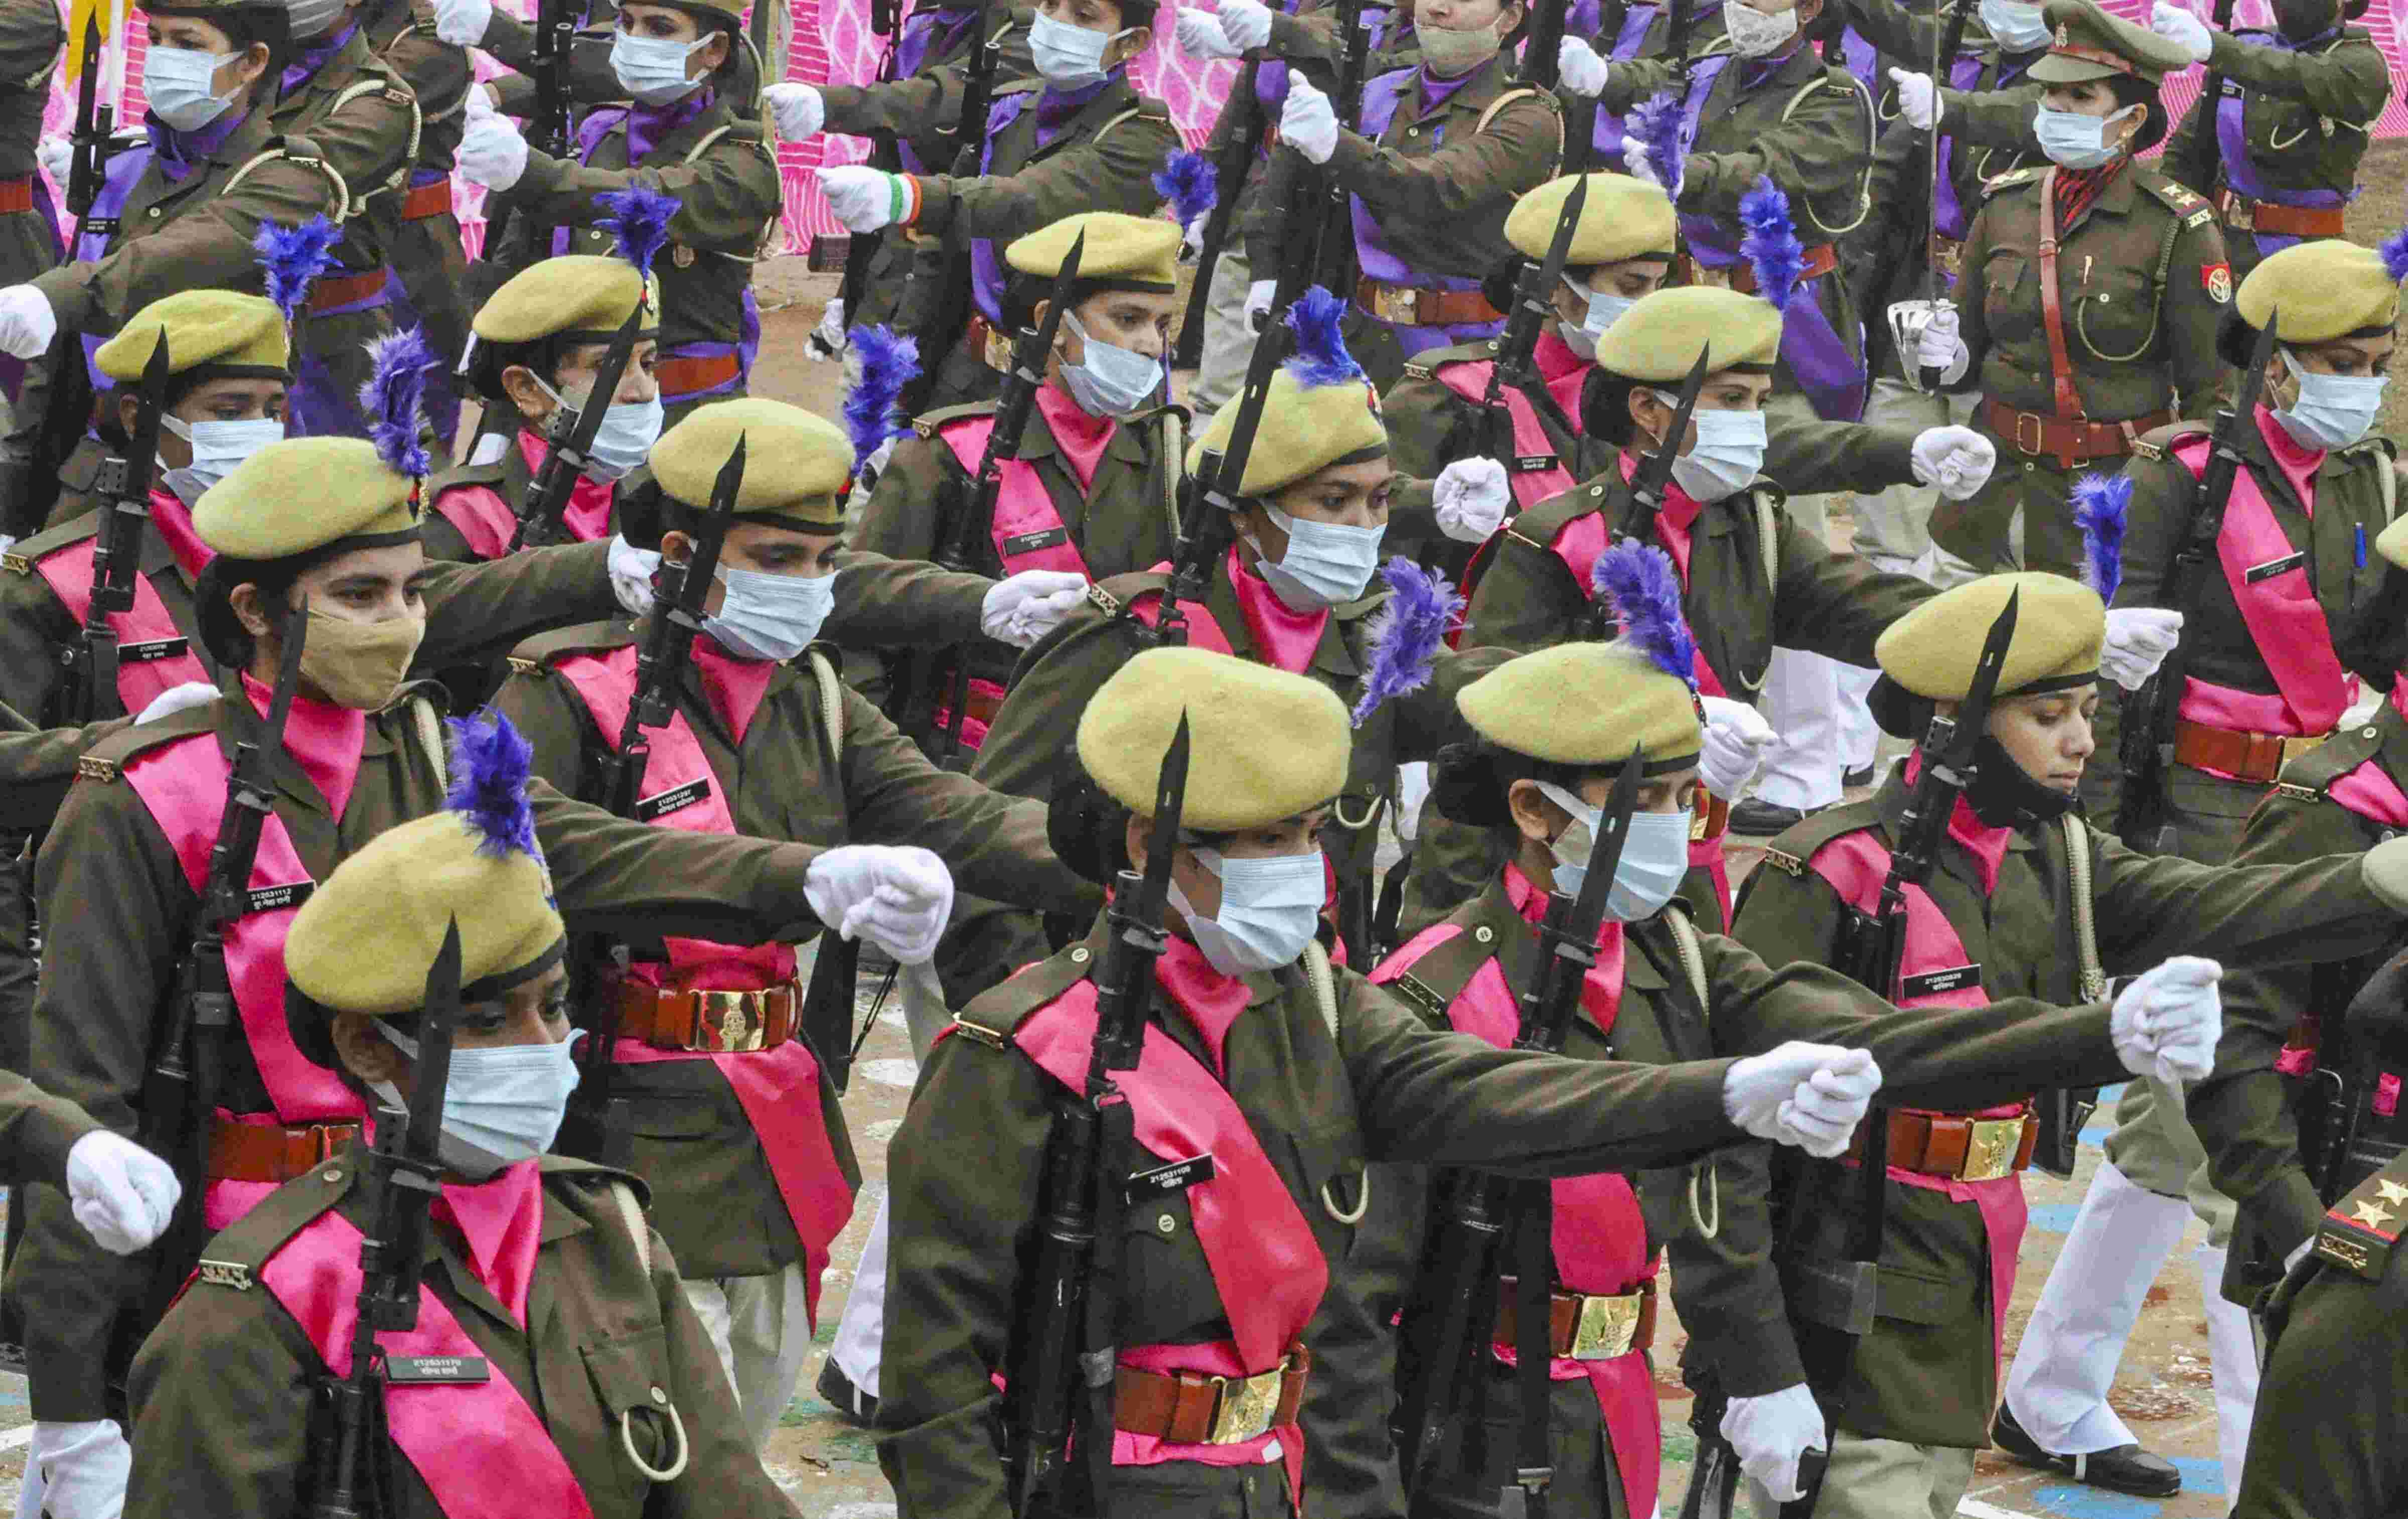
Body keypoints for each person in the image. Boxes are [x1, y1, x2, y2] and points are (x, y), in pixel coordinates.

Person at [3, 349, 950, 1516]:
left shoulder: (444, 752)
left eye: (410, 592)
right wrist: (70, 1398)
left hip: (438, 1232)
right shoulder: (149, 795)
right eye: (359, 596)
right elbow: (84, 1090)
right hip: (229, 1259)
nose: (401, 625)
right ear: (252, 610)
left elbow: (606, 854)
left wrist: (807, 872)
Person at [875, 642, 1889, 1519]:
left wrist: (1722, 1094)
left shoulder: (1319, 1008)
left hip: (1277, 1479)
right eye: (1268, 841)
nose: (1303, 871)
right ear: (1151, 844)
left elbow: (1501, 1097)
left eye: (1313, 835)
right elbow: (938, 1388)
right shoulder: (1013, 1055)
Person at [1372, 608, 2233, 1516]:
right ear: (1537, 811)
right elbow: (1362, 1305)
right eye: (1650, 800)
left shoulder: (1672, 954)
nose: (1679, 827)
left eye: (1687, 800)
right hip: (1466, 1425)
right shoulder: (1436, 997)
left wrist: (2102, 1037)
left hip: (1608, 1405)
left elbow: (1874, 1036)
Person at [1732, 568, 2408, 1519]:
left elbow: (2214, 901)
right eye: (2049, 715)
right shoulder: (1831, 870)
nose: (2083, 741)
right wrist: (1753, 1363)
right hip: (1844, 1273)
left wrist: (2378, 875)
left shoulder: (2052, 851)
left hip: (1965, 1274)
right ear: (1951, 721)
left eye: (2088, 710)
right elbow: (1732, 1140)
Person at [491, 395, 1098, 1447]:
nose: (807, 584)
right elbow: (551, 842)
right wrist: (799, 874)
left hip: (771, 1129)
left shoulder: (806, 690)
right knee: (662, 1452)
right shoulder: (566, 690)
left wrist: (1142, 864)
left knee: (757, 1403)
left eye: (824, 557)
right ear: (681, 552)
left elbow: (958, 813)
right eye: (776, 555)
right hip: (618, 1128)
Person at [120, 733, 806, 1516]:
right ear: (368, 1045)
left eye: (552, 1006)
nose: (545, 1049)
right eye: (484, 1019)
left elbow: (724, 1493)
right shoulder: (256, 1310)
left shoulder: (609, 1231)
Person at [1995, 240, 2405, 1499]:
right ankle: (2254, 1450)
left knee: (2164, 1142)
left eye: (2377, 366)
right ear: (2272, 368)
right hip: (2199, 829)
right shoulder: (2182, 478)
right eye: (2339, 366)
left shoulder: (2367, 476)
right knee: (2251, 1159)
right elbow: (2133, 689)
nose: (2363, 389)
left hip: (2322, 814)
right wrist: (2108, 860)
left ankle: (2048, 1387)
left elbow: (2359, 667)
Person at [940, 298, 1486, 995]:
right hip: (1124, 997)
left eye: (1379, 502)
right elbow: (995, 843)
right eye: (1333, 501)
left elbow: (1482, 698)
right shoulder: (1135, 634)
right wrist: (1028, 1006)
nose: (1361, 526)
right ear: (1247, 515)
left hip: (1300, 999)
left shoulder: (1372, 640)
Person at [1398, 286, 1957, 939]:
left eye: (1758, 401)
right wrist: (1443, 931)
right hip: (1561, 873)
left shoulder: (1750, 521)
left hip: (1688, 857)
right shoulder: (1556, 543)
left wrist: (1998, 625)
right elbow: (1481, 734)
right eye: (1731, 401)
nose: (1752, 422)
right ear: (1649, 411)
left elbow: (1862, 605)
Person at [0, 0, 416, 529]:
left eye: (189, 45)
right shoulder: (131, 168)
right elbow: (63, 370)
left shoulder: (317, 143)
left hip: (258, 429)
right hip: (110, 458)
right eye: (155, 39)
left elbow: (234, 226)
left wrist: (62, 294)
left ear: (252, 63)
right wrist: (15, 512)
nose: (164, 59)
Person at [1906, 0, 2231, 583]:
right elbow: (1967, 352)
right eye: (2053, 97)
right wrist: (1940, 355)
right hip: (1987, 496)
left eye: (2082, 99)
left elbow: (2211, 396)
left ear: (2132, 119)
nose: (2060, 110)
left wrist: (2184, 503)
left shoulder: (2175, 227)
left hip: (2103, 505)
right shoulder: (2005, 205)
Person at [852, 212, 1191, 759]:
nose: (1151, 346)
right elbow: (863, 610)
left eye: (1162, 325)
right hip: (974, 761)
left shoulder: (1167, 456)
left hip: (1120, 755)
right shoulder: (948, 456)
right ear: (1053, 324)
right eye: (1128, 320)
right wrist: (874, 766)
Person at [812, 0, 1179, 411]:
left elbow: (1027, 198)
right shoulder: (1012, 110)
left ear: (1132, 42)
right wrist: (900, 397)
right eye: (1051, 4)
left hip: (1084, 389)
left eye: (1084, 15)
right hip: (973, 372)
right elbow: (944, 260)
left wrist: (906, 197)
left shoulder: (1146, 141)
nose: (1056, 22)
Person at [456, 0, 783, 421]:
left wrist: (530, 172)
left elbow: (647, 196)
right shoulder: (601, 133)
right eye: (627, 23)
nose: (634, 40)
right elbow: (537, 260)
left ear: (714, 50)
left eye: (660, 28)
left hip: (687, 419)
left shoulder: (744, 168)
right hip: (581, 417)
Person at [1250, 0, 1560, 388]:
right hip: (1357, 333)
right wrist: (1265, 271)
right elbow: (1292, 178)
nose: (1439, 9)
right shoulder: (1382, 90)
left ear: (1510, 18)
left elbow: (1439, 187)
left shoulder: (1527, 116)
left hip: (1462, 353)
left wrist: (1336, 144)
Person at [1169, 0, 1417, 430]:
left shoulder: (1402, 26)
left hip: (1339, 222)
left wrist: (1280, 37)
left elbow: (1365, 63)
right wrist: (1204, 191)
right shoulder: (1298, 8)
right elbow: (1245, 110)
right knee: (1222, 392)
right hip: (1263, 199)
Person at [762, 2, 1036, 338]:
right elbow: (890, 156)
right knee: (868, 378)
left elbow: (935, 98)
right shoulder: (928, 23)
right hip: (894, 263)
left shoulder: (1025, 30)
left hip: (961, 272)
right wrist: (848, 297)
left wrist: (829, 105)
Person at [425, 252, 663, 563]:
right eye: (609, 368)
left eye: (648, 364)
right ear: (528, 389)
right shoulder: (467, 517)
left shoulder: (659, 498)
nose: (644, 391)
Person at [2150, 0, 2384, 285]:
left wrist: (2216, 48)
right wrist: (2165, 233)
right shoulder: (2247, 47)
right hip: (2219, 246)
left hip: (2306, 256)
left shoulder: (2362, 65)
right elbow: (2189, 152)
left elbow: (2294, 73)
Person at [365, 0, 477, 449]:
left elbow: (347, 107)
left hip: (416, 245)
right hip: (356, 238)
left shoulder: (432, 39)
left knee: (441, 383)